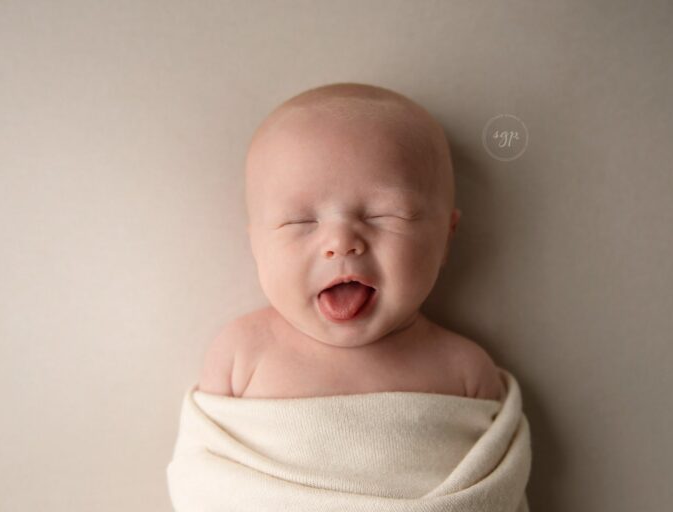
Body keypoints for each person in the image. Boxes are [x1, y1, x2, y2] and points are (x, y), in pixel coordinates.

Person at [198, 82, 505, 401]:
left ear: (445, 238)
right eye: (300, 220)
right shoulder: (242, 354)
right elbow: (201, 451)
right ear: (256, 247)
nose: (341, 242)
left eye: (384, 214)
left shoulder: (464, 372)